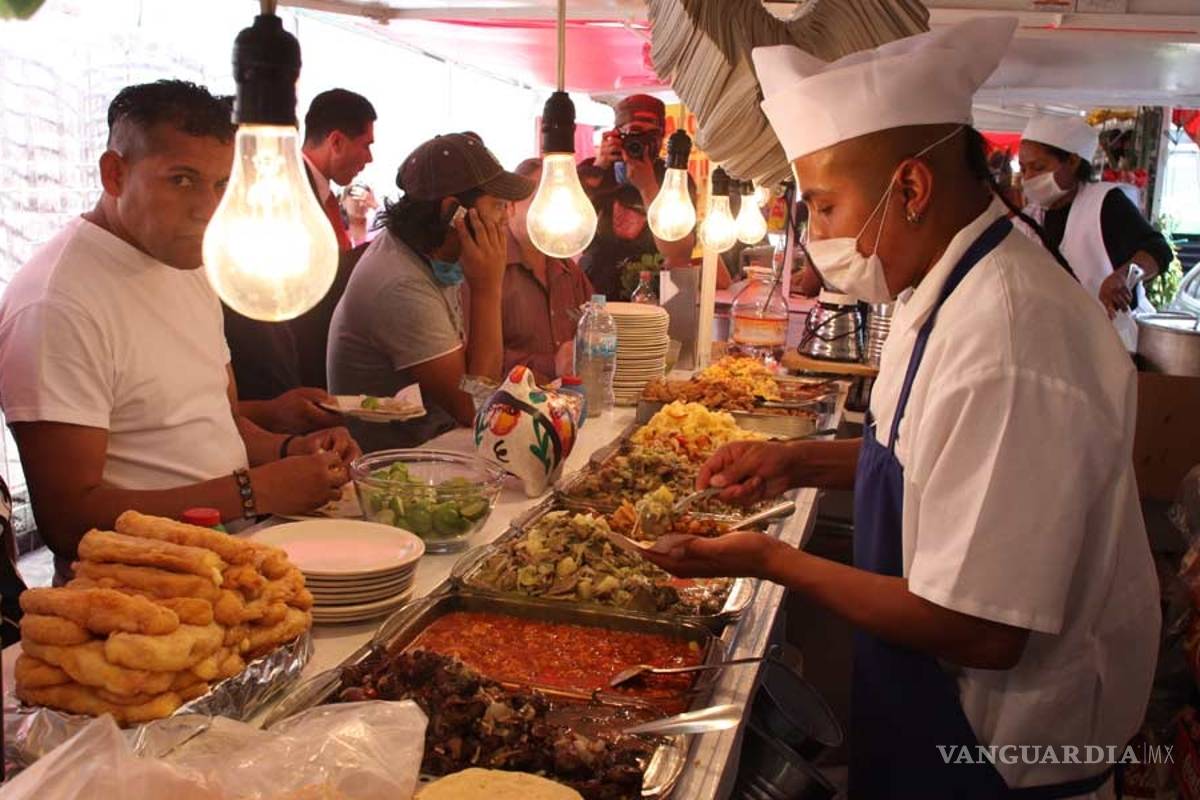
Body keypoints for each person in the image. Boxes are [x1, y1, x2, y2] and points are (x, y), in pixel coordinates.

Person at [641, 19, 1158, 799]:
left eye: (821, 206)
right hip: (926, 705)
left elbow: (982, 627)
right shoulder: (943, 289)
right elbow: (929, 456)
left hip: (998, 754)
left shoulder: (1010, 334)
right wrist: (797, 460)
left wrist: (770, 561)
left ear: (910, 188)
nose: (817, 236)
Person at [0, 80, 359, 583]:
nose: (207, 208)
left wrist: (291, 452)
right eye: (182, 180)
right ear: (115, 173)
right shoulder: (57, 301)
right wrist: (258, 490)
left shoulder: (189, 263)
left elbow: (216, 416)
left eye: (221, 185)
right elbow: (68, 518)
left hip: (237, 559)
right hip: (141, 597)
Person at [327, 132, 533, 450]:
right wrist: (487, 289)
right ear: (453, 212)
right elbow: (475, 406)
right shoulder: (400, 284)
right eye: (498, 205)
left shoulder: (431, 254)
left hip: (437, 445)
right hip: (398, 468)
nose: (506, 218)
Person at [1019, 114, 1171, 319]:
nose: (1028, 178)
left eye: (1039, 167)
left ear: (1072, 161)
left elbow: (1158, 250)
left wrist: (1124, 276)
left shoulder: (1105, 203)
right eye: (1023, 168)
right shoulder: (1029, 217)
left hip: (1112, 337)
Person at [463, 158, 593, 382]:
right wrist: (551, 363)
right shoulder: (484, 267)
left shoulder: (568, 271)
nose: (556, 212)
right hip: (507, 409)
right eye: (544, 200)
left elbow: (597, 325)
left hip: (569, 403)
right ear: (510, 207)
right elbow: (471, 360)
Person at [577, 95, 697, 300]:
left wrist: (648, 187)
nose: (641, 143)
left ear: (662, 137)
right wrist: (598, 168)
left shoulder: (674, 180)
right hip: (593, 294)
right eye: (634, 133)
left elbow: (679, 253)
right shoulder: (594, 173)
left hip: (651, 298)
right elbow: (569, 237)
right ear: (617, 135)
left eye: (652, 134)